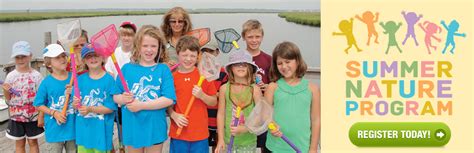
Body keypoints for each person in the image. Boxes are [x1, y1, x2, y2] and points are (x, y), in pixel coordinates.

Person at [112, 25, 176, 153]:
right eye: (145, 45)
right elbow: (115, 96)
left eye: (153, 46)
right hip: (132, 127)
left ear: (160, 48)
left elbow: (168, 99)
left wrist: (141, 105)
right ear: (137, 46)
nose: (149, 50)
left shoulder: (163, 70)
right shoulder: (127, 69)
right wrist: (123, 99)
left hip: (155, 128)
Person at [264, 41, 320, 153]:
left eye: (287, 61)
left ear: (298, 61)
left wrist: (313, 148)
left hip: (302, 147)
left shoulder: (312, 89)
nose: (284, 66)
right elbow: (264, 116)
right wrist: (271, 124)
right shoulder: (272, 87)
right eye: (279, 63)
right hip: (275, 147)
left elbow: (316, 120)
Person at [168, 35, 218, 153]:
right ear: (177, 54)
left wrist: (202, 95)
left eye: (192, 56)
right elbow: (168, 103)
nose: (188, 59)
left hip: (200, 134)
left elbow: (214, 101)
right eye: (184, 55)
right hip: (178, 133)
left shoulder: (204, 75)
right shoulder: (172, 78)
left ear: (198, 56)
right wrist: (173, 114)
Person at [73, 44, 118, 152]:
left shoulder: (109, 80)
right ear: (84, 61)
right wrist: (75, 104)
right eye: (89, 56)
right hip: (83, 132)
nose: (93, 58)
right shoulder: (79, 80)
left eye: (96, 55)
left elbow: (110, 108)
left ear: (103, 58)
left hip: (101, 134)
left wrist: (90, 109)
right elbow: (75, 106)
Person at [215, 50, 262, 153]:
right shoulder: (224, 89)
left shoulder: (255, 89)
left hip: (248, 142)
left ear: (250, 68)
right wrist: (221, 139)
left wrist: (245, 128)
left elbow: (260, 115)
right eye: (237, 64)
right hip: (228, 141)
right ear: (231, 68)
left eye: (244, 65)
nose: (241, 67)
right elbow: (221, 114)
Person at [33, 44, 76, 153]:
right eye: (57, 57)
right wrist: (54, 113)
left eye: (63, 56)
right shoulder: (46, 83)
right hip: (54, 131)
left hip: (73, 129)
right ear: (48, 64)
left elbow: (83, 97)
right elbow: (38, 104)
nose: (62, 59)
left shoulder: (74, 77)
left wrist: (75, 91)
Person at [3, 41, 44, 153]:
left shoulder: (37, 76)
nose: (21, 59)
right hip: (16, 117)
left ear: (30, 56)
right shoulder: (10, 76)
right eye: (17, 57)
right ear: (14, 58)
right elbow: (8, 98)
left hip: (33, 116)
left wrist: (41, 116)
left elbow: (42, 98)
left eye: (23, 56)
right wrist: (5, 90)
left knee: (33, 142)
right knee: (19, 143)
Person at [241, 19, 272, 152]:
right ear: (243, 37)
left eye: (257, 36)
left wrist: (268, 86)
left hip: (264, 109)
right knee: (246, 143)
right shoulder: (240, 58)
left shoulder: (268, 59)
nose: (254, 40)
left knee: (265, 143)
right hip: (245, 108)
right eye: (250, 37)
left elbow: (274, 82)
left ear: (262, 36)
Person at [201, 37, 228, 152]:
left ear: (217, 52)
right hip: (202, 118)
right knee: (201, 147)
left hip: (217, 118)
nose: (207, 55)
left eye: (211, 51)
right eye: (203, 51)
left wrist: (213, 94)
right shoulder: (198, 71)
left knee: (217, 147)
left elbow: (226, 94)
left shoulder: (222, 73)